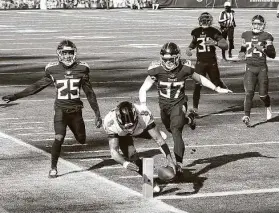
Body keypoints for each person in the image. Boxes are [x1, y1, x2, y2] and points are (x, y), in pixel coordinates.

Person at [2, 40, 102, 178]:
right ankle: (53, 168)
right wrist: (15, 96)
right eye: (64, 53)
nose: (67, 56)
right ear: (59, 54)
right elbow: (37, 87)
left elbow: (89, 93)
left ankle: (74, 130)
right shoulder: (52, 69)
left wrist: (97, 113)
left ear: (74, 53)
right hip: (60, 110)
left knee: (81, 139)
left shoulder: (82, 69)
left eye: (70, 53)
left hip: (76, 111)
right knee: (59, 137)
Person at [139, 42, 232, 169]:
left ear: (177, 58)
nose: (168, 63)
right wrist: (143, 106)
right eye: (165, 60)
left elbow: (200, 79)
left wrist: (216, 88)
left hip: (179, 103)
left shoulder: (184, 68)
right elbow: (143, 89)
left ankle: (178, 164)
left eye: (171, 59)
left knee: (176, 130)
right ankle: (189, 119)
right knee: (170, 129)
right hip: (164, 106)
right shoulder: (156, 70)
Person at [103, 101, 177, 191]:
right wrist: (125, 163)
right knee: (132, 156)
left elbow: (160, 140)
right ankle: (150, 182)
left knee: (157, 136)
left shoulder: (143, 114)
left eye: (131, 126)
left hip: (140, 128)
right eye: (127, 127)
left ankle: (149, 133)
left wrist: (170, 161)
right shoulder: (110, 122)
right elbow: (113, 151)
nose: (129, 130)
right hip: (122, 134)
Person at [185, 12, 229, 117]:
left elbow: (226, 45)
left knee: (216, 83)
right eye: (203, 20)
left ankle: (222, 86)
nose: (204, 22)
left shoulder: (213, 31)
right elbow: (194, 42)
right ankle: (195, 109)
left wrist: (215, 43)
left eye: (206, 20)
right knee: (197, 84)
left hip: (211, 62)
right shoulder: (196, 32)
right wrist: (189, 48)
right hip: (200, 62)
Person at [238, 15, 276, 127]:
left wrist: (262, 49)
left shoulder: (267, 36)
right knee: (248, 93)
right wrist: (241, 52)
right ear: (252, 23)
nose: (256, 26)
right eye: (255, 23)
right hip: (250, 67)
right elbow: (243, 47)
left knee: (263, 95)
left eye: (259, 24)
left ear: (263, 25)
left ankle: (268, 106)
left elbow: (272, 54)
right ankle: (247, 116)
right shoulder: (246, 34)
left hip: (262, 68)